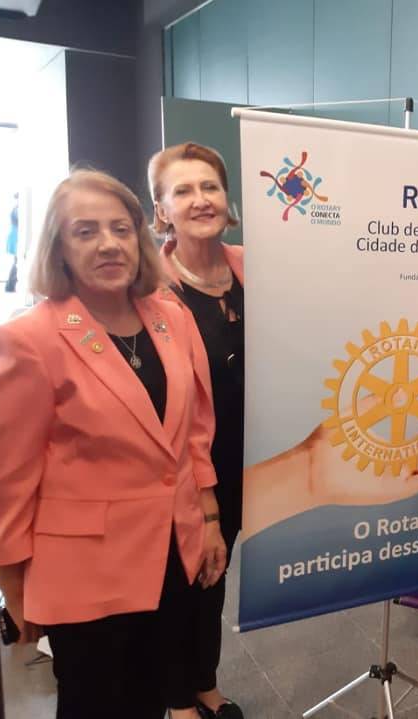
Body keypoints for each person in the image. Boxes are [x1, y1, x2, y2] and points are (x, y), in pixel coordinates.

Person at [0, 169, 226, 719]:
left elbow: (192, 430)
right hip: (85, 574)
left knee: (152, 696)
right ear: (59, 248)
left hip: (171, 553)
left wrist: (208, 518)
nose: (109, 244)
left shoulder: (171, 317)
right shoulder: (26, 341)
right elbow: (4, 482)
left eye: (120, 228)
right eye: (85, 231)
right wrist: (14, 589)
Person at [148, 142, 245, 719]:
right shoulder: (149, 288)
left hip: (241, 456)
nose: (200, 199)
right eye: (182, 191)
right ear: (162, 210)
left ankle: (205, 680)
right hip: (179, 461)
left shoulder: (251, 268)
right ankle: (176, 697)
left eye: (209, 187)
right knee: (177, 579)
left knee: (215, 571)